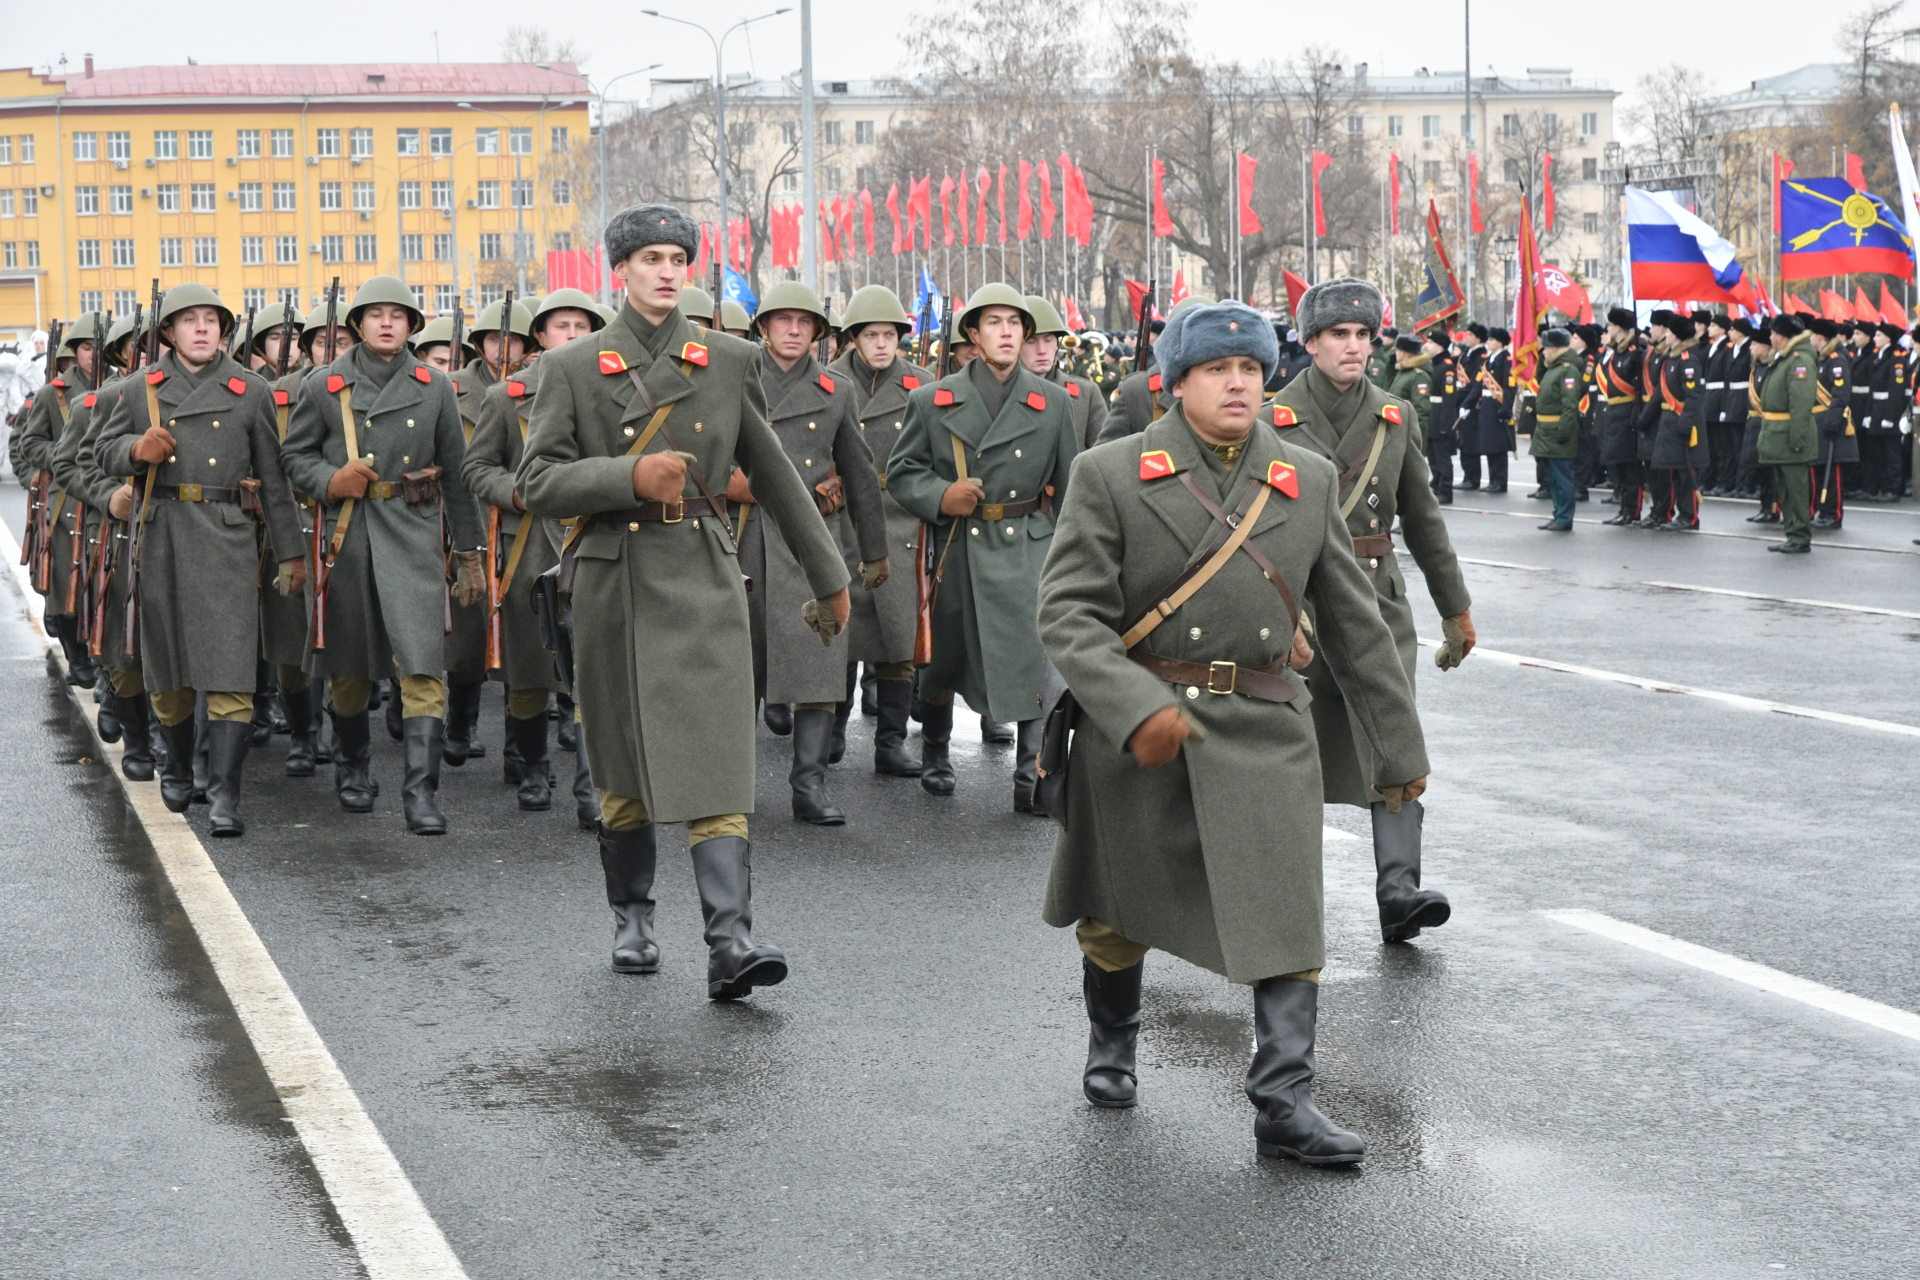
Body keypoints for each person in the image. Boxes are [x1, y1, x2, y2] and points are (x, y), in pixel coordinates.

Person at [1038, 300, 1431, 1165]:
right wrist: (1133, 709)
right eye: (1218, 370)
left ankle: (1283, 1103)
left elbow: (1358, 626)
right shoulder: (1110, 473)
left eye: (1251, 369)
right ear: (1175, 383)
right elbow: (1067, 615)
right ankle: (1112, 1043)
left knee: (1287, 915)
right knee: (1115, 912)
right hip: (1144, 723)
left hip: (1262, 723)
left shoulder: (1307, 477)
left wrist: (1399, 754)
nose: (1238, 383)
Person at [519, 203, 849, 997]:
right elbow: (535, 483)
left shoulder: (730, 360)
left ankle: (729, 943)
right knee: (622, 759)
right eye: (650, 259)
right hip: (612, 575)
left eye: (677, 258)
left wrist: (830, 575)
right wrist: (627, 476)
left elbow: (774, 475)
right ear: (621, 271)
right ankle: (633, 917)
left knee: (716, 756)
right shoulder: (570, 369)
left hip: (704, 572)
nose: (667, 271)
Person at [1259, 278, 1471, 944]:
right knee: (1295, 749)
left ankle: (1398, 891)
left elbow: (1424, 521)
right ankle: (1283, 895)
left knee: (1393, 736)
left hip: (1378, 602)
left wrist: (1455, 610)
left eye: (1362, 335)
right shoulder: (1272, 420)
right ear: (1310, 343)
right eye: (1337, 336)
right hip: (1300, 606)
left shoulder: (1394, 415)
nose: (1353, 347)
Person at [94, 284, 306, 836]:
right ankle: (181, 764)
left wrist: (291, 553)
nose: (203, 329)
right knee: (170, 673)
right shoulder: (141, 389)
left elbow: (276, 481)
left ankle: (224, 796)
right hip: (162, 535)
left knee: (231, 668)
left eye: (211, 320)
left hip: (229, 536)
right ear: (169, 332)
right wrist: (136, 451)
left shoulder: (248, 390)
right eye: (190, 321)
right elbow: (100, 450)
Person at [281, 275, 486, 834]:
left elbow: (460, 478)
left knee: (422, 668)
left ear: (413, 325)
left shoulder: (434, 386)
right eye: (376, 314)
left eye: (399, 314)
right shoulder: (325, 386)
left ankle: (420, 794)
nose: (388, 323)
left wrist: (470, 553)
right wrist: (330, 479)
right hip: (348, 539)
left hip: (414, 535)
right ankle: (353, 769)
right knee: (349, 669)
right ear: (358, 325)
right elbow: (293, 458)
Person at [887, 283, 1080, 810]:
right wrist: (941, 495)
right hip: (959, 545)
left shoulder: (1054, 402)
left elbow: (1071, 489)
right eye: (993, 323)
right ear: (972, 333)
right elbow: (902, 472)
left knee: (1031, 657)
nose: (1006, 333)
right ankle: (936, 750)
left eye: (1014, 324)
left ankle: (1029, 774)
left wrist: (1071, 559)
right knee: (944, 655)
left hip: (1027, 547)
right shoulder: (932, 399)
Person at [731, 281, 887, 825]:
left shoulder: (836, 390)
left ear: (818, 332)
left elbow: (861, 475)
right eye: (782, 321)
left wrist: (874, 553)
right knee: (738, 665)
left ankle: (809, 786)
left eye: (804, 322)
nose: (793, 331)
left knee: (821, 660)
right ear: (764, 328)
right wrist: (729, 483)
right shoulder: (733, 378)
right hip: (743, 536)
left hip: (812, 542)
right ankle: (731, 787)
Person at [461, 288, 603, 819]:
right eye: (561, 326)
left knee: (591, 666)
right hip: (524, 545)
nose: (572, 335)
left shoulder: (612, 392)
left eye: (581, 326)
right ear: (540, 336)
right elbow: (477, 468)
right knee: (529, 669)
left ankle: (591, 790)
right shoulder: (507, 396)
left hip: (592, 541)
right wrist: (516, 492)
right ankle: (534, 768)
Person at [827, 284, 935, 778]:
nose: (881, 344)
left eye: (889, 334)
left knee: (899, 639)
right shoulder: (827, 382)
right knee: (843, 633)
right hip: (844, 516)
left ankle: (890, 744)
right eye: (870, 334)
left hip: (902, 515)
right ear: (853, 337)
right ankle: (831, 734)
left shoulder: (922, 385)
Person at [444, 296, 534, 767]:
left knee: (521, 641)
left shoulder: (541, 388)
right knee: (465, 638)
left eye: (514, 339)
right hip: (465, 520)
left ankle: (521, 754)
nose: (504, 347)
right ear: (480, 342)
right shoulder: (450, 388)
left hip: (521, 524)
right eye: (496, 338)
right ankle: (459, 725)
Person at [15, 315, 106, 689]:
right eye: (86, 348)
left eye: (98, 348)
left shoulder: (121, 387)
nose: (93, 355)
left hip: (101, 494)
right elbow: (30, 443)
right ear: (74, 352)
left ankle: (102, 659)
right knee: (63, 582)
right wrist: (68, 456)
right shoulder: (54, 393)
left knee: (100, 580)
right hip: (65, 499)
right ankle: (77, 655)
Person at [1757, 315, 1819, 553]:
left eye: (1772, 333)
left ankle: (1801, 536)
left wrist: (1797, 438)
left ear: (1781, 335)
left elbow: (1801, 404)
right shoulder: (1785, 358)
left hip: (1789, 435)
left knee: (1797, 490)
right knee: (1786, 489)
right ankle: (1792, 533)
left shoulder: (1798, 359)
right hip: (1779, 434)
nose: (1770, 337)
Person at [1023, 295, 1108, 450]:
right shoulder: (1003, 394)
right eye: (1031, 341)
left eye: (1048, 340)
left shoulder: (1086, 394)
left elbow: (1102, 455)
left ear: (1057, 343)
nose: (1041, 350)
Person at [1597, 309, 1646, 525]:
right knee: (1617, 465)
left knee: (1630, 468)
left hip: (1627, 413)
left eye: (1610, 324)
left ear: (1619, 327)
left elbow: (1637, 387)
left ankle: (1632, 511)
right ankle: (1624, 508)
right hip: (1614, 413)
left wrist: (1635, 416)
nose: (1607, 328)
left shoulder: (1634, 351)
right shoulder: (1618, 352)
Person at [1531, 328, 1582, 532]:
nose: (1542, 352)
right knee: (1553, 478)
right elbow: (1538, 379)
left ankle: (1565, 517)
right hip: (1545, 430)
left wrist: (1564, 430)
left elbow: (1570, 404)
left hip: (1557, 430)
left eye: (1545, 348)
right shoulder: (1553, 367)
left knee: (1563, 478)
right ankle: (1557, 513)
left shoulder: (1568, 369)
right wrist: (1543, 363)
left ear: (1553, 348)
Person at [1809, 317, 1856, 528]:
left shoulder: (1836, 359)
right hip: (1818, 421)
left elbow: (1841, 393)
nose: (1810, 338)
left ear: (1820, 336)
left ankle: (1833, 514)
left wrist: (1832, 420)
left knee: (1831, 470)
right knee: (1820, 468)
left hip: (1831, 421)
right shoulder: (1822, 359)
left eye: (1812, 334)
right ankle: (1823, 509)